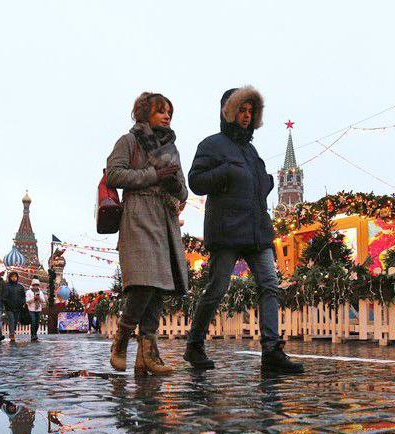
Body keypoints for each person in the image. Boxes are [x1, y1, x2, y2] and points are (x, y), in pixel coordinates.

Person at [185, 86, 303, 374]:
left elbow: (257, 185)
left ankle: (272, 351)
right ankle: (195, 345)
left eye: (251, 112)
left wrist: (266, 184)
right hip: (226, 230)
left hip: (257, 230)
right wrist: (224, 172)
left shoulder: (250, 150)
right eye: (242, 110)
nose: (247, 116)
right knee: (217, 288)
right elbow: (196, 181)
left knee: (269, 285)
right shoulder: (211, 145)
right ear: (229, 112)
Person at [106, 92, 189, 375]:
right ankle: (122, 338)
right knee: (144, 280)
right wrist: (154, 175)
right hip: (138, 213)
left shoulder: (172, 149)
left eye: (169, 112)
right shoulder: (129, 140)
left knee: (160, 285)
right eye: (161, 111)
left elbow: (183, 190)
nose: (166, 116)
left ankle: (148, 354)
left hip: (164, 215)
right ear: (145, 113)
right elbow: (114, 175)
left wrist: (175, 183)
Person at [2, 271, 26, 343]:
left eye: (15, 277)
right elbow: (4, 297)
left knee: (15, 321)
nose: (14, 278)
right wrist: (6, 303)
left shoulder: (20, 287)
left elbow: (23, 296)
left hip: (18, 307)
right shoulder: (6, 286)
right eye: (12, 277)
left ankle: (13, 331)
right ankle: (12, 334)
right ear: (10, 277)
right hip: (9, 307)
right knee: (11, 320)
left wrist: (22, 303)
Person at [24, 278, 46, 342]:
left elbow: (43, 301)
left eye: (37, 285)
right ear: (32, 285)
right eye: (34, 285)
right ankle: (33, 335)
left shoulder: (40, 292)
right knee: (33, 322)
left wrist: (39, 298)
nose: (35, 286)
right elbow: (27, 301)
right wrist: (34, 298)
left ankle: (35, 334)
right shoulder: (28, 292)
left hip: (38, 309)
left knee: (37, 323)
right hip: (31, 309)